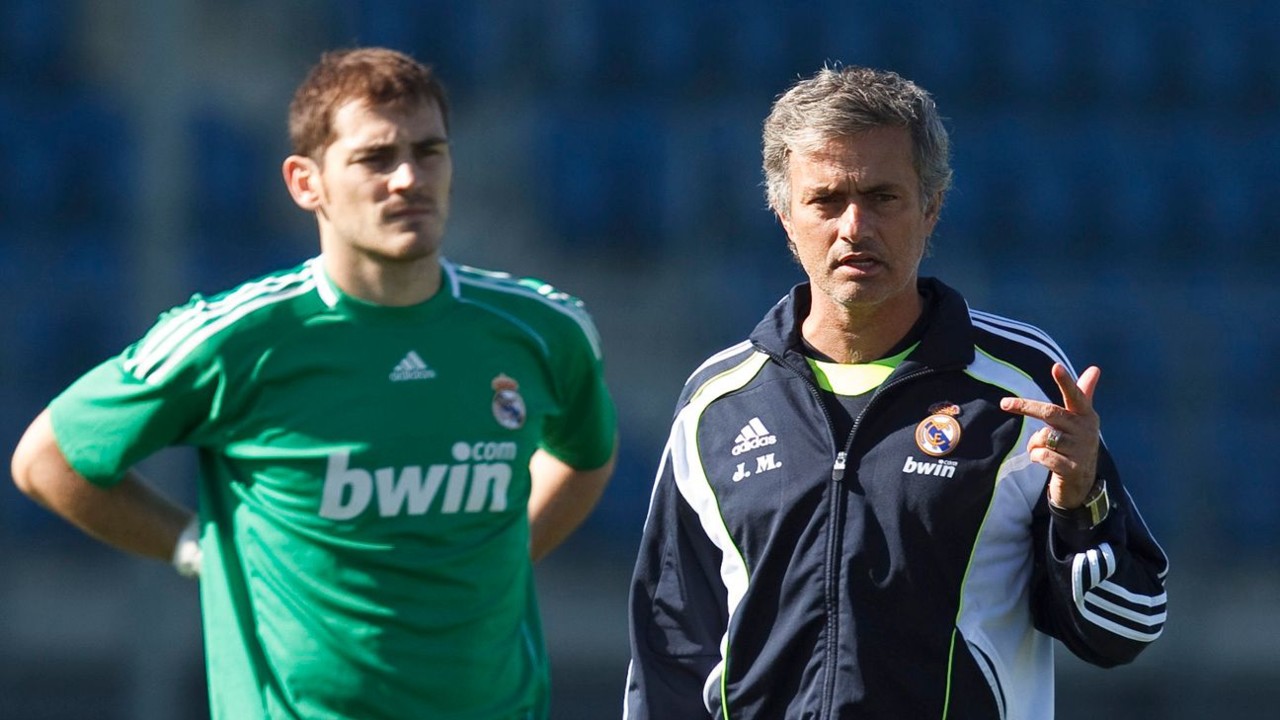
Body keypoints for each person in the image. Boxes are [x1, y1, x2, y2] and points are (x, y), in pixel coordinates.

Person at [10, 47, 618, 720]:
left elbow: (585, 455)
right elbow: (48, 460)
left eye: (430, 152)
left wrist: (508, 551)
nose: (408, 178)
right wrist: (193, 547)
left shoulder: (542, 330)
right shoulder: (237, 339)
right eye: (375, 158)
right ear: (307, 183)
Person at [624, 65, 1167, 719]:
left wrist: (1080, 508)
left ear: (931, 207)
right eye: (827, 200)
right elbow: (668, 649)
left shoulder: (1021, 386)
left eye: (883, 197)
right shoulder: (718, 403)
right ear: (786, 216)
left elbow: (1125, 628)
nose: (854, 226)